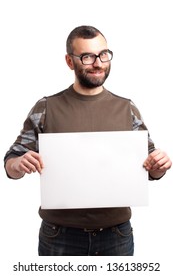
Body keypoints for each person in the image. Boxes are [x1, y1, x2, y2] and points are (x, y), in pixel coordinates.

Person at [4, 25, 172, 256]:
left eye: (103, 54)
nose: (98, 63)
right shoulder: (46, 107)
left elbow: (151, 168)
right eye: (87, 56)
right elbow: (11, 161)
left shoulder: (127, 108)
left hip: (117, 236)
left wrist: (159, 164)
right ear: (69, 61)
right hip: (59, 236)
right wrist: (18, 163)